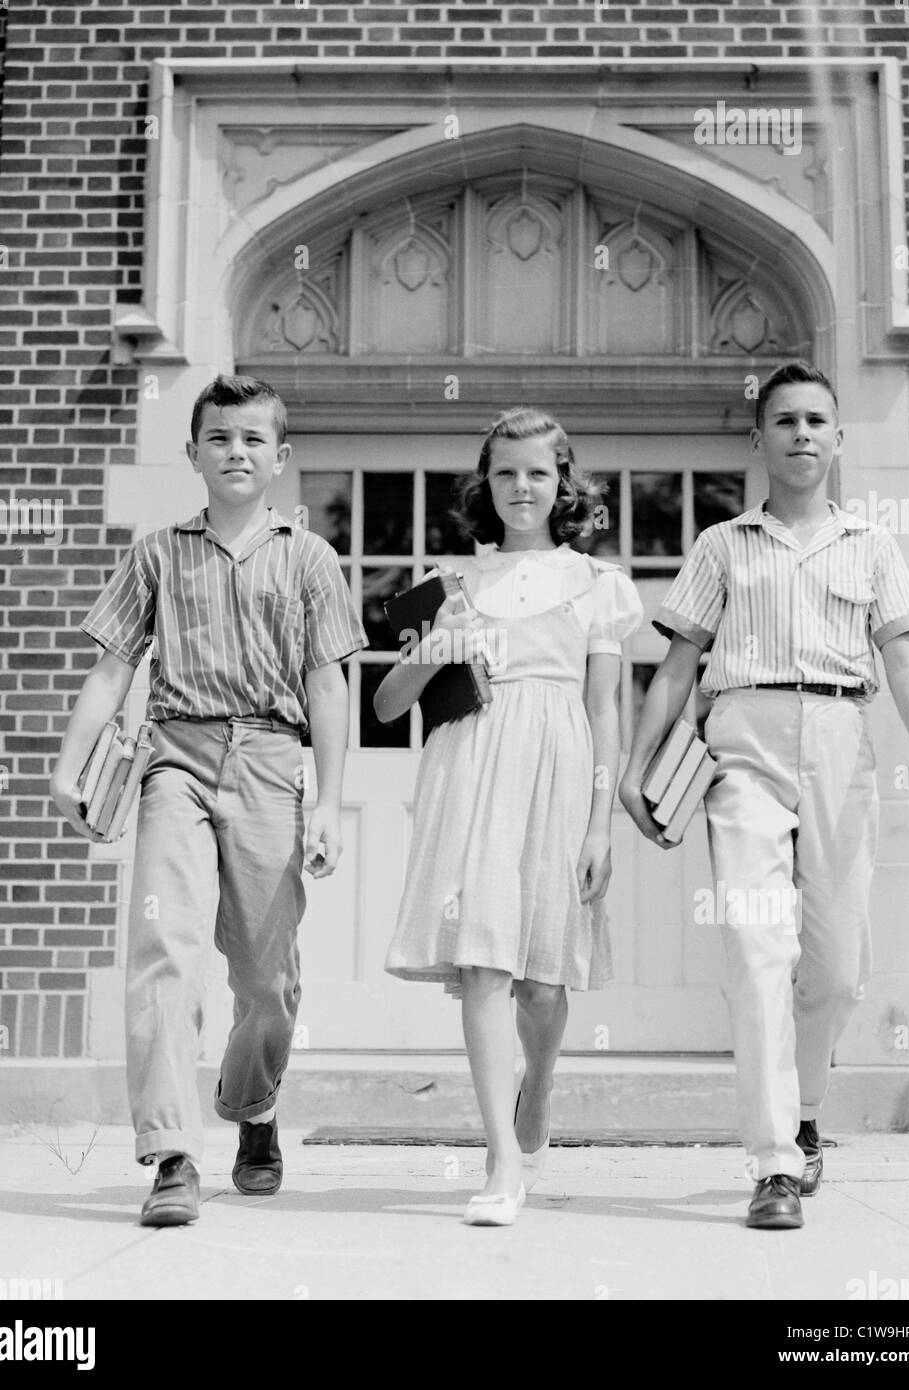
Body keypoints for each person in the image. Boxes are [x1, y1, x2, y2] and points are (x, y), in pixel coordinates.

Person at [618, 361, 909, 1230]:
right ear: (757, 438)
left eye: (816, 420)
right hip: (744, 744)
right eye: (785, 420)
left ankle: (804, 1114)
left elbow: (901, 658)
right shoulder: (722, 545)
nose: (802, 433)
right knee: (757, 949)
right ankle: (770, 1163)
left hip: (842, 741)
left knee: (836, 974)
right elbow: (678, 663)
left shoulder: (871, 545)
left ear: (837, 439)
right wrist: (634, 759)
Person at [50, 374, 366, 1226]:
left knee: (267, 978)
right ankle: (173, 1156)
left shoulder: (309, 558)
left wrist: (331, 802)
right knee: (164, 952)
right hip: (175, 760)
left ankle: (252, 1108)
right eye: (219, 437)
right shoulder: (156, 552)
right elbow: (112, 666)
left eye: (253, 439)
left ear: (281, 458)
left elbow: (328, 684)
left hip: (269, 760)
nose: (236, 451)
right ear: (193, 453)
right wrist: (68, 766)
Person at [377, 407, 642, 1226]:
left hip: (560, 770)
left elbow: (607, 711)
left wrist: (601, 822)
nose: (519, 487)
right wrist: (434, 647)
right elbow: (388, 707)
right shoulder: (449, 586)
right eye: (503, 473)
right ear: (482, 486)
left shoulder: (599, 585)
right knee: (484, 966)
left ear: (562, 482)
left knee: (541, 980)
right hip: (471, 775)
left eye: (535, 472)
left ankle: (544, 1076)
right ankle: (499, 1161)